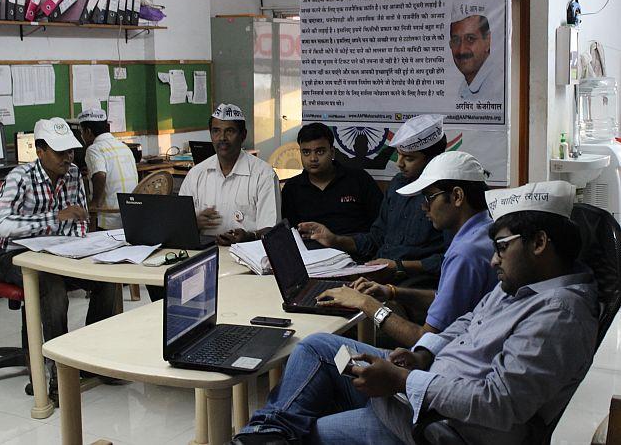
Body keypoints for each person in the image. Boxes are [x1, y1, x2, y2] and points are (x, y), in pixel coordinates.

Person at [230, 180, 598, 445]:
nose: (493, 260)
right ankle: (264, 433)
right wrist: (423, 354)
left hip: (438, 425)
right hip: (424, 383)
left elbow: (496, 403)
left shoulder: (559, 316)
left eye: (502, 248)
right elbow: (469, 322)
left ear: (539, 243)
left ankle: (267, 432)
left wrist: (402, 381)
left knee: (306, 431)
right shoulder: (522, 285)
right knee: (316, 349)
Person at [316, 151, 496, 347]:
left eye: (429, 198)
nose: (424, 207)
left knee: (317, 343)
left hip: (445, 360)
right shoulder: (483, 232)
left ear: (457, 196)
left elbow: (424, 340)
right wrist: (391, 292)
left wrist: (365, 303)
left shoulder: (466, 253)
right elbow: (445, 298)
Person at [0, 117, 116, 400]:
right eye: (60, 152)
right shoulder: (18, 178)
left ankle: (91, 358)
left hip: (62, 250)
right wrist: (54, 217)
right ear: (40, 151)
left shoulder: (73, 173)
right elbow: (3, 227)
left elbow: (79, 218)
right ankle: (58, 372)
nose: (68, 158)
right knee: (52, 287)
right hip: (16, 256)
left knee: (106, 280)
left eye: (70, 151)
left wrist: (80, 241)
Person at [300, 114, 449, 281]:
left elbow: (450, 260)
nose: (399, 163)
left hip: (415, 281)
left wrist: (398, 266)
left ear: (433, 159)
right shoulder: (398, 184)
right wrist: (335, 239)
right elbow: (376, 239)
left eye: (409, 158)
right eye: (398, 155)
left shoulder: (446, 196)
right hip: (378, 270)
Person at [179, 103, 280, 246]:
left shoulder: (263, 174)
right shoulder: (196, 173)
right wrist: (194, 223)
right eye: (216, 131)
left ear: (243, 135)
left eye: (230, 131)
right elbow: (177, 226)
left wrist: (250, 236)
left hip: (249, 255)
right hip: (206, 253)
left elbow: (272, 231)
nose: (222, 138)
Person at [281, 123, 383, 241]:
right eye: (306, 152)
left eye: (320, 152)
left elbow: (381, 224)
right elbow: (289, 233)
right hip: (311, 253)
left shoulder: (359, 179)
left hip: (354, 250)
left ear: (332, 152)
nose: (313, 158)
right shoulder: (292, 188)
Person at [78, 108, 138, 230]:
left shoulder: (94, 149)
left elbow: (100, 174)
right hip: (130, 216)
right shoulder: (123, 147)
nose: (81, 136)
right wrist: (91, 173)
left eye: (81, 132)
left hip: (109, 220)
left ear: (88, 132)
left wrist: (94, 204)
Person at [449, 1, 503, 102]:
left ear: (488, 41)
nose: (461, 50)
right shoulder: (465, 86)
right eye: (456, 40)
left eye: (470, 39)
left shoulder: (497, 87)